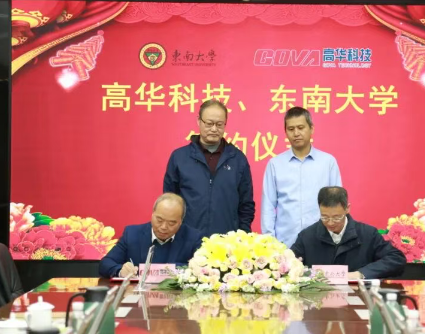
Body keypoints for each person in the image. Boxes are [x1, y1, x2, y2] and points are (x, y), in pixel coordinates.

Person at [163, 99, 255, 236]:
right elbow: (169, 201)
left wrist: (241, 236)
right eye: (209, 123)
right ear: (199, 121)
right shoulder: (180, 157)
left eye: (219, 124)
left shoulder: (238, 159)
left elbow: (246, 205)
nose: (214, 129)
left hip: (227, 242)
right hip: (187, 239)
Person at [261, 107, 342, 247]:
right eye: (291, 129)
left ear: (311, 129)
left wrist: (336, 237)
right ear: (285, 132)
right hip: (285, 244)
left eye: (301, 127)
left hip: (322, 242)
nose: (296, 133)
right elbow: (268, 206)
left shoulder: (328, 162)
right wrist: (269, 243)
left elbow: (337, 204)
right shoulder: (275, 164)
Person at [291, 187, 406, 280]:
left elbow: (396, 259)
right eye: (324, 217)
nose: (330, 223)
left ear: (347, 208)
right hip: (317, 299)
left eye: (336, 217)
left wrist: (361, 273)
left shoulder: (367, 234)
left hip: (357, 296)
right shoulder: (307, 236)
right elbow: (288, 264)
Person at [99, 193, 203, 278]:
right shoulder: (132, 234)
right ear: (152, 214)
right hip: (137, 295)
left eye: (171, 223)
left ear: (180, 222)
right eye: (159, 220)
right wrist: (120, 271)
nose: (163, 227)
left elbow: (204, 269)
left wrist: (162, 271)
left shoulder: (193, 238)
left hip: (176, 296)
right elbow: (105, 264)